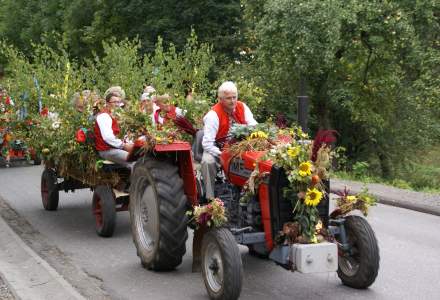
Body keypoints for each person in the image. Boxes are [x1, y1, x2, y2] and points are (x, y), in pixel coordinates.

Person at [201, 81, 257, 199]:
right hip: (218, 149)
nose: (232, 101)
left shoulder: (242, 107)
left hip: (242, 147)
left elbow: (253, 125)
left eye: (234, 97)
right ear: (220, 99)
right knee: (207, 161)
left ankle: (249, 193)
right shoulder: (213, 115)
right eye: (228, 98)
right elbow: (207, 144)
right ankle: (210, 198)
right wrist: (223, 154)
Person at [94, 91, 134, 169]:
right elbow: (108, 138)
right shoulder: (104, 116)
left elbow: (123, 133)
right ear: (107, 103)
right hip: (107, 150)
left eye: (118, 102)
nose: (117, 104)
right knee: (134, 161)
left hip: (116, 147)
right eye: (114, 102)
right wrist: (124, 146)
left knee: (143, 157)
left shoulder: (117, 114)